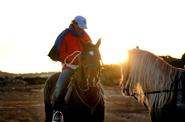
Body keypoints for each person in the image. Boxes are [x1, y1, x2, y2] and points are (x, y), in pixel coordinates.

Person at [51, 16, 92, 122]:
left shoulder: (86, 36)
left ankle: (100, 106)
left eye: (83, 27)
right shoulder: (65, 35)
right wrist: (70, 59)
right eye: (80, 27)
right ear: (74, 24)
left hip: (84, 68)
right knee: (60, 86)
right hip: (69, 67)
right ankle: (57, 112)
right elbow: (61, 52)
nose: (82, 29)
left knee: (97, 85)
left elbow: (91, 50)